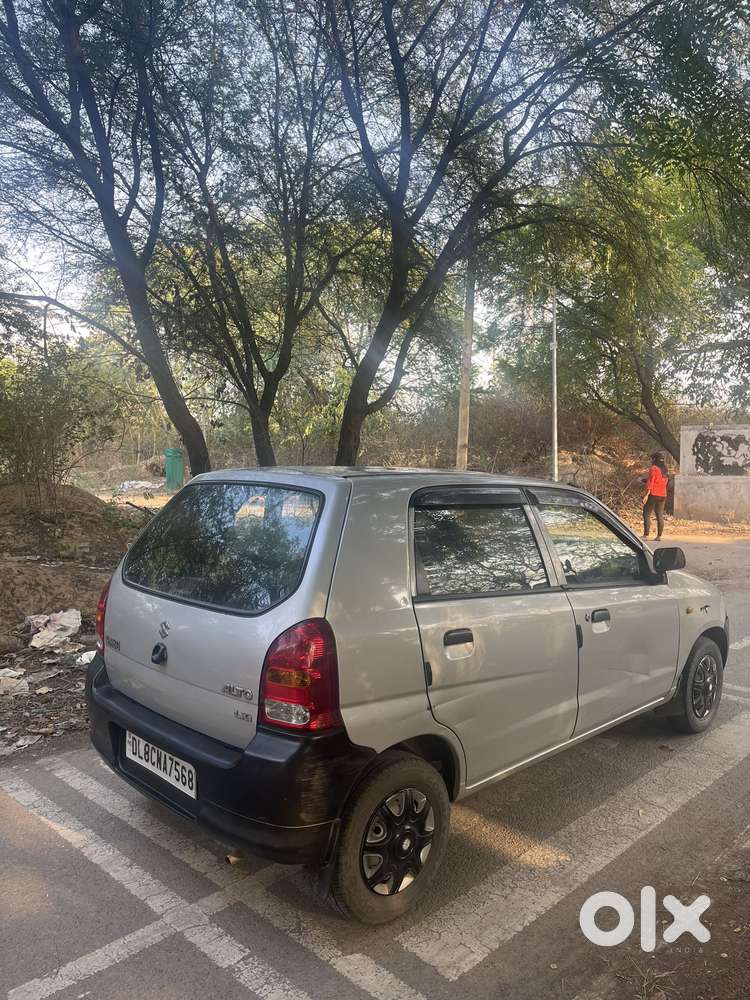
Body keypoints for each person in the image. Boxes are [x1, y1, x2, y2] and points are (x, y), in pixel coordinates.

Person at [642, 451, 669, 541]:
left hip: (653, 494)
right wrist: (644, 480)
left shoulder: (653, 468)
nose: (651, 461)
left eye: (651, 459)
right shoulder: (665, 469)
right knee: (659, 515)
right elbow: (660, 481)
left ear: (654, 459)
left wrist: (646, 495)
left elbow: (651, 481)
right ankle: (659, 536)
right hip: (663, 495)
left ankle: (646, 535)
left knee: (646, 513)